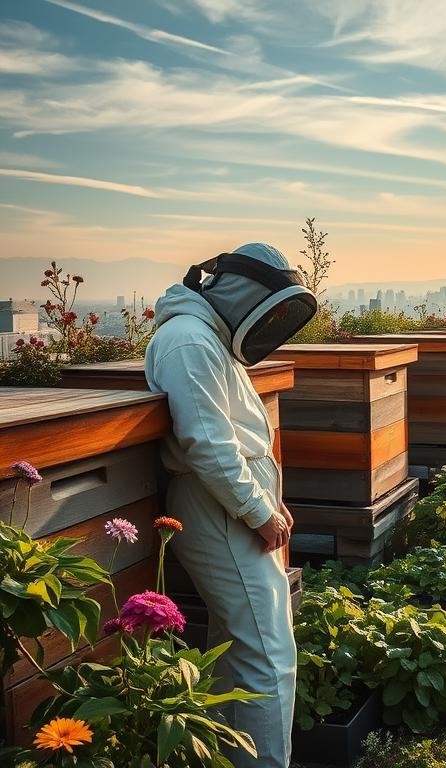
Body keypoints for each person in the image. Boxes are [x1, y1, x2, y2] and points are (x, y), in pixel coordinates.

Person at [145, 242, 317, 767]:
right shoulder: (188, 341)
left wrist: (264, 503)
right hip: (217, 509)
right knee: (269, 658)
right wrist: (258, 510)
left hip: (228, 507)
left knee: (238, 648)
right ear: (248, 295)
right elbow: (208, 444)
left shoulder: (205, 337)